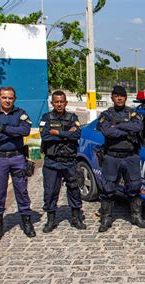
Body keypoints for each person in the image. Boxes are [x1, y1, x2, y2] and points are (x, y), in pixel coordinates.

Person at [0, 86, 35, 241]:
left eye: (10, 98)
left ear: (15, 99)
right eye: (4, 97)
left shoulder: (21, 113)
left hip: (18, 157)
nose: (7, 100)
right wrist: (13, 132)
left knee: (22, 190)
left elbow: (25, 131)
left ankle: (26, 222)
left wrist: (3, 129)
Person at [97, 85, 145, 232]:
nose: (119, 98)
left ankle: (136, 216)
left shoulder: (133, 113)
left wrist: (117, 125)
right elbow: (108, 132)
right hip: (112, 157)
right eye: (116, 95)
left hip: (130, 157)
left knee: (134, 187)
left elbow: (137, 127)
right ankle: (106, 218)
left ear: (126, 98)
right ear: (112, 97)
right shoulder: (105, 115)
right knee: (108, 189)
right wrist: (125, 128)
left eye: (122, 96)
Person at [39, 90, 86, 233]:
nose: (59, 104)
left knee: (74, 189)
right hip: (52, 162)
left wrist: (58, 133)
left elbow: (77, 134)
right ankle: (51, 220)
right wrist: (67, 134)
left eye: (62, 102)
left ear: (66, 103)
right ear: (52, 103)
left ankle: (75, 217)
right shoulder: (46, 118)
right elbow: (45, 136)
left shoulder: (73, 117)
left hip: (69, 161)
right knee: (50, 191)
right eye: (56, 102)